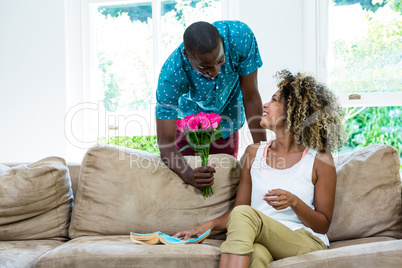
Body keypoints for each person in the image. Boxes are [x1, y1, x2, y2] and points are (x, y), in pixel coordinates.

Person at [173, 70, 347, 267]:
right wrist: (205, 227)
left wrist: (294, 202)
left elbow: (323, 225)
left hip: (304, 239)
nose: (265, 105)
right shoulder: (253, 153)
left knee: (245, 215)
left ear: (295, 111)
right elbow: (239, 210)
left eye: (274, 100)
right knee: (256, 254)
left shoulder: (320, 159)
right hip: (261, 237)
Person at [155, 20, 267, 191]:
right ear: (186, 55)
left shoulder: (240, 38)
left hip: (227, 122)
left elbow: (251, 97)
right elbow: (165, 142)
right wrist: (188, 175)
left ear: (223, 43)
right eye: (205, 68)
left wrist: (263, 153)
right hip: (189, 129)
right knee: (191, 190)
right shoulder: (171, 76)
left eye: (220, 61)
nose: (215, 72)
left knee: (225, 186)